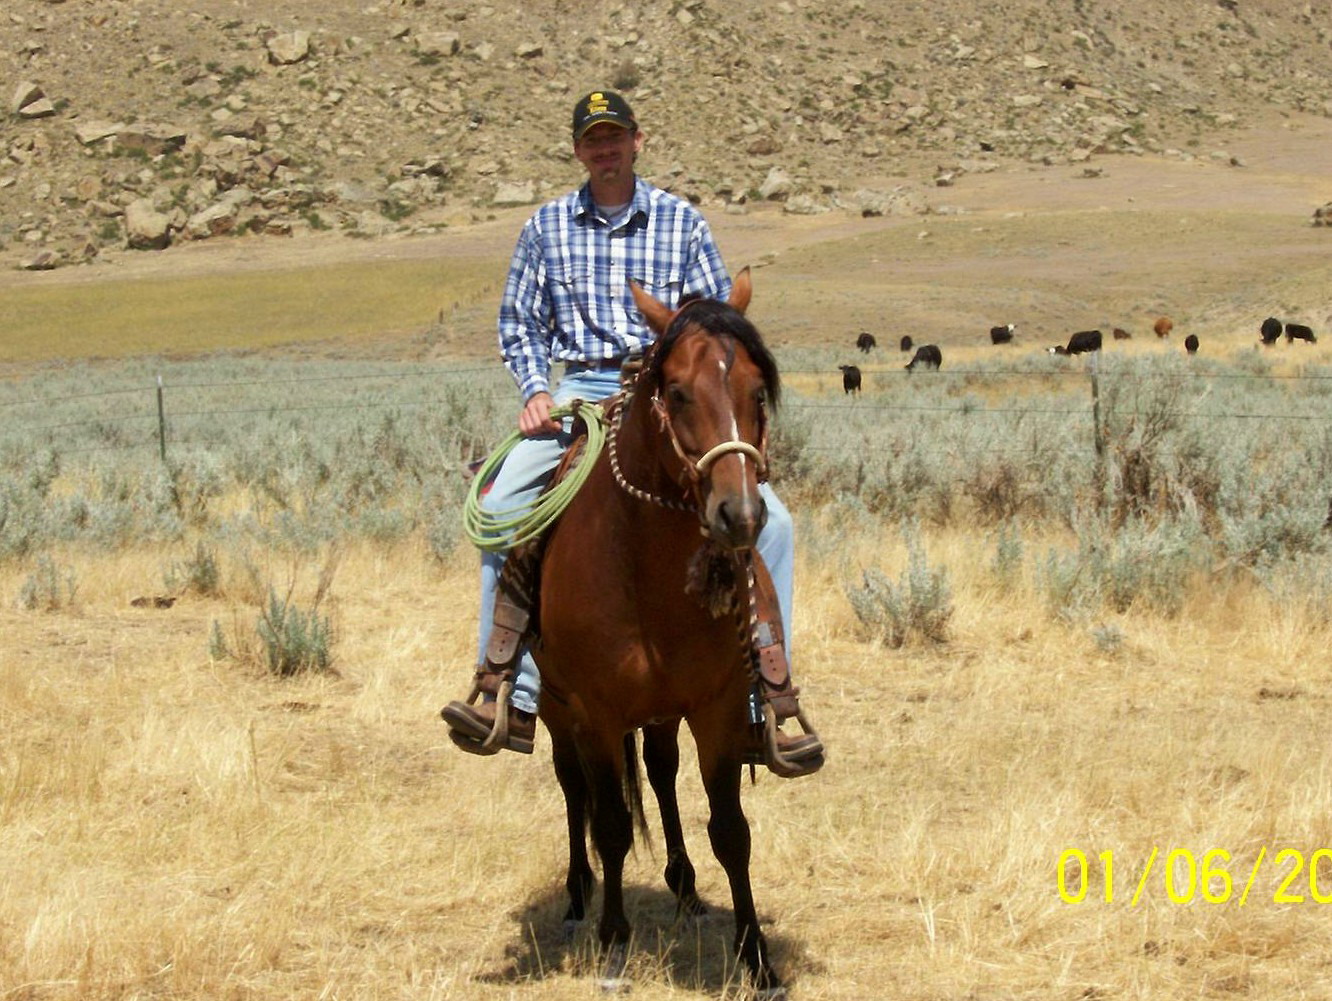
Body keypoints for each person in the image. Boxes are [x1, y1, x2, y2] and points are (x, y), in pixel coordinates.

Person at [440, 90, 823, 776]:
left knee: (777, 526)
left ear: (637, 141)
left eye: (616, 136)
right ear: (580, 150)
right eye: (594, 139)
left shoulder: (681, 221)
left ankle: (765, 700)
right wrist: (534, 392)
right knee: (500, 510)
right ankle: (508, 688)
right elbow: (518, 322)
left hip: (668, 393)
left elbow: (718, 329)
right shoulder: (546, 227)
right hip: (581, 393)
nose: (606, 148)